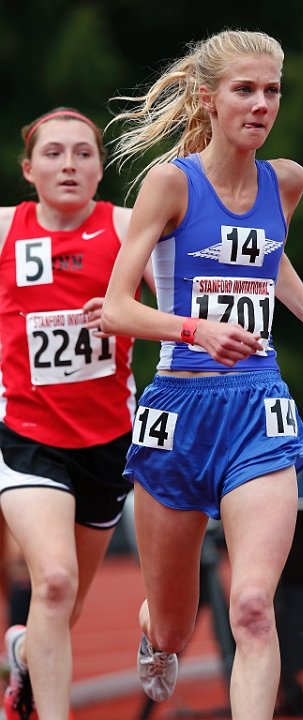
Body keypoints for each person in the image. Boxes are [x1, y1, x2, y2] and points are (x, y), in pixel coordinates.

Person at [102, 30, 303, 720]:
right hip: (177, 409)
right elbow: (120, 308)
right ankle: (158, 631)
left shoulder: (287, 181)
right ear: (209, 100)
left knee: (250, 606)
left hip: (258, 407)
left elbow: (267, 257)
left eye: (272, 90)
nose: (262, 103)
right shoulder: (170, 182)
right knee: (177, 625)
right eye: (246, 89)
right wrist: (196, 329)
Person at [0, 107, 153, 720]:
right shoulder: (6, 229)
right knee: (55, 582)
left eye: (84, 153)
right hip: (27, 436)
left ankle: (22, 652)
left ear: (99, 166)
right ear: (29, 168)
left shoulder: (126, 227)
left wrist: (122, 314)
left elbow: (178, 298)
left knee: (65, 607)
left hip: (109, 440)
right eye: (55, 153)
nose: (69, 164)